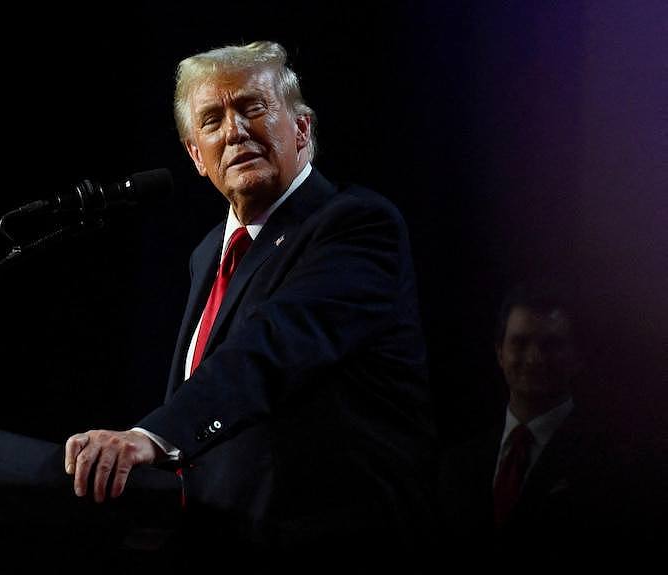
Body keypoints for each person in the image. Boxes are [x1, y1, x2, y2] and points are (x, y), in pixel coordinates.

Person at [64, 41, 435, 569]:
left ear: (302, 129)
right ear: (196, 155)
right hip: (226, 543)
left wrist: (154, 436)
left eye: (252, 107)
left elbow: (272, 345)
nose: (234, 131)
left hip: (335, 546)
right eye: (212, 120)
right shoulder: (207, 254)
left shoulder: (354, 225)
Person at [437, 282, 622, 572]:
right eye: (519, 343)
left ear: (577, 358)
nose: (534, 358)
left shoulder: (614, 464)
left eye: (551, 345)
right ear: (499, 353)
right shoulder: (457, 465)